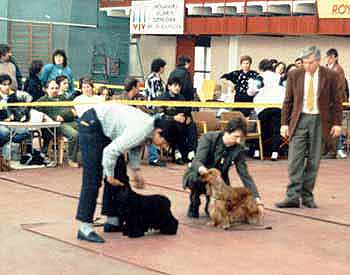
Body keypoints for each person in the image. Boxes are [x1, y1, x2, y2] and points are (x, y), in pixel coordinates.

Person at [75, 103, 181, 243]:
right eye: (164, 142)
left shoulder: (149, 128)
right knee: (93, 177)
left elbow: (134, 146)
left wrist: (135, 170)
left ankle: (112, 220)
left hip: (106, 129)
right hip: (91, 124)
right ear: (159, 131)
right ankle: (85, 227)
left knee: (120, 175)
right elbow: (110, 152)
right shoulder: (141, 129)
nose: (163, 146)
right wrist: (109, 175)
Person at [276, 46, 342, 209]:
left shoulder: (331, 76)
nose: (306, 66)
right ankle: (292, 197)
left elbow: (337, 102)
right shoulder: (294, 74)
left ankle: (307, 196)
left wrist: (337, 123)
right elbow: (288, 101)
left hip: (320, 120)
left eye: (310, 62)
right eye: (304, 62)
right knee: (294, 160)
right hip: (299, 120)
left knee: (314, 161)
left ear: (318, 61)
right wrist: (284, 123)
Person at [183, 117, 263, 218]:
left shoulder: (239, 149)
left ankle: (210, 204)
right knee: (195, 180)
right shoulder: (208, 138)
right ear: (227, 132)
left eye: (241, 138)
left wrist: (256, 198)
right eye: (236, 136)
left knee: (222, 201)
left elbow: (245, 175)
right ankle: (194, 204)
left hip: (220, 178)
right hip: (201, 173)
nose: (238, 141)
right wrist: (203, 171)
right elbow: (197, 160)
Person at [36, 79, 79, 168]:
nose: (55, 90)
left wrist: (63, 116)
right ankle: (71, 159)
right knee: (74, 135)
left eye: (56, 88)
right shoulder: (42, 101)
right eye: (52, 88)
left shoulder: (63, 98)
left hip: (70, 121)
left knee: (89, 130)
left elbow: (73, 112)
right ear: (46, 89)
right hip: (57, 125)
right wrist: (53, 118)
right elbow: (39, 115)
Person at [157, 77, 197, 164]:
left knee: (192, 125)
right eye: (175, 85)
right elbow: (159, 116)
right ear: (169, 87)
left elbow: (186, 112)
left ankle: (191, 151)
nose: (177, 88)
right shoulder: (162, 98)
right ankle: (177, 152)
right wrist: (174, 118)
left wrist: (187, 118)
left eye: (179, 86)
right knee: (174, 124)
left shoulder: (181, 98)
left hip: (180, 124)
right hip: (166, 126)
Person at [253, 59, 285, 161]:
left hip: (263, 107)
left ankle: (258, 152)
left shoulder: (260, 77)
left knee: (260, 130)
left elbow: (252, 90)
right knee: (276, 130)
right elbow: (286, 88)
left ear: (261, 67)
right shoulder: (279, 77)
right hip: (278, 106)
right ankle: (275, 153)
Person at [325, 48, 347, 159]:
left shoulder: (339, 70)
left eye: (331, 57)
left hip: (334, 102)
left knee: (335, 126)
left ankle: (333, 150)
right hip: (325, 102)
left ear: (336, 58)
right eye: (327, 57)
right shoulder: (325, 68)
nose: (329, 59)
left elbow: (340, 87)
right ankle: (327, 149)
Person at [0, 74, 32, 147]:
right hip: (1, 123)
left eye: (8, 84)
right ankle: (7, 145)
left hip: (12, 124)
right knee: (5, 132)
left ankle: (7, 144)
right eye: (4, 84)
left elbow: (16, 111)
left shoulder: (13, 96)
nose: (7, 87)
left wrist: (16, 115)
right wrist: (4, 118)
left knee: (26, 132)